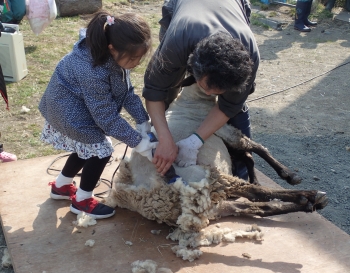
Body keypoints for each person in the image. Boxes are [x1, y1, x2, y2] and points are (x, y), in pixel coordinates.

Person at [39, 11, 157, 219]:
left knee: (87, 147)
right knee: (100, 151)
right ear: (113, 49)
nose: (136, 63)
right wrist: (140, 143)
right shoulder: (92, 71)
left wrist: (143, 122)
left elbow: (126, 93)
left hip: (75, 105)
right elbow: (107, 119)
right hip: (68, 110)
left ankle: (61, 187)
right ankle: (82, 201)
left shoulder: (113, 54)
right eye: (134, 59)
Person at [142, 0, 259, 180]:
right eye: (205, 87)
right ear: (194, 68)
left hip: (233, 5)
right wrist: (165, 139)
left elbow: (230, 105)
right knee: (167, 87)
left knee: (237, 104)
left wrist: (195, 141)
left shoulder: (249, 55)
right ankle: (159, 132)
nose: (208, 95)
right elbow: (154, 90)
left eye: (217, 92)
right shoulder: (175, 44)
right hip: (184, 9)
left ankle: (241, 171)